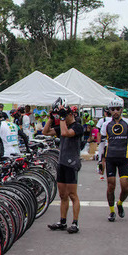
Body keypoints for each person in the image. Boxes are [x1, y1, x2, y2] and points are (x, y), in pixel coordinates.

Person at [43, 98, 83, 233]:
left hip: (72, 163)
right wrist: (50, 117)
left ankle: (75, 222)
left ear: (70, 115)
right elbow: (45, 132)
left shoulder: (77, 126)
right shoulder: (62, 125)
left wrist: (61, 118)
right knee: (62, 195)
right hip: (62, 163)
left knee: (72, 195)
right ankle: (62, 221)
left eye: (65, 116)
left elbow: (66, 133)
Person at [100, 98, 128, 222]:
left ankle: (120, 203)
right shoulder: (106, 125)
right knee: (111, 186)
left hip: (124, 157)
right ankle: (111, 211)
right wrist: (100, 161)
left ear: (122, 110)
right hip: (110, 158)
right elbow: (101, 143)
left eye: (118, 109)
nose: (115, 112)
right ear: (109, 110)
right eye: (113, 109)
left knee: (125, 187)